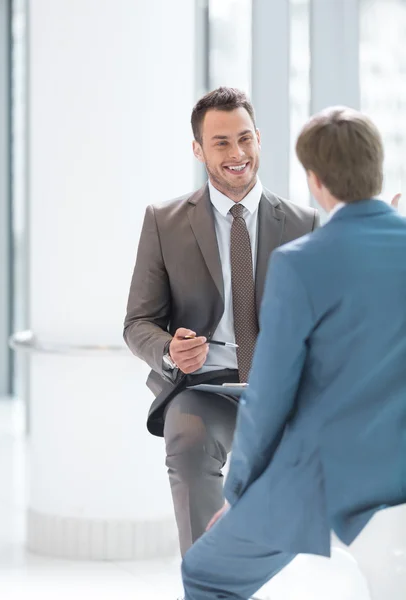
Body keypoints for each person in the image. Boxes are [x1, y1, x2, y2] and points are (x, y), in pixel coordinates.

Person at [181, 106, 406, 600]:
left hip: (325, 478)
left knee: (205, 573)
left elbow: (269, 396)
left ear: (316, 180)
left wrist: (238, 493)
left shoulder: (302, 263)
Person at [123, 87, 319, 558]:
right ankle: (210, 582)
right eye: (221, 143)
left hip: (278, 387)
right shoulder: (164, 222)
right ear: (198, 149)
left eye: (245, 139)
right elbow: (138, 323)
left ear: (258, 139)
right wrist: (170, 348)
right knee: (187, 445)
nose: (237, 154)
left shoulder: (303, 224)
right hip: (203, 386)